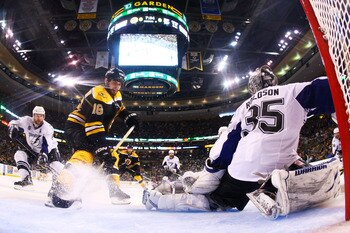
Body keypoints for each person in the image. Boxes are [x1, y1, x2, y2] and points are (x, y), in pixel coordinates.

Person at [143, 65, 341, 219]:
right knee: (296, 162)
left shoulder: (243, 107)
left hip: (244, 169)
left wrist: (213, 170)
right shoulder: (294, 91)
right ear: (274, 81)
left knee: (215, 201)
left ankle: (159, 200)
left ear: (252, 87)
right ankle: (273, 187)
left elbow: (226, 146)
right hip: (281, 162)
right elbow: (331, 86)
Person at [50, 67, 139, 208]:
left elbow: (119, 108)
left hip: (93, 129)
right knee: (85, 154)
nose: (117, 86)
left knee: (113, 156)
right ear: (106, 81)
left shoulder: (116, 94)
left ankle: (114, 190)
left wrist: (127, 116)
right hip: (77, 127)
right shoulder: (99, 94)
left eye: (119, 83)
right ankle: (60, 188)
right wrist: (101, 149)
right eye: (114, 82)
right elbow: (93, 125)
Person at [8, 106, 64, 190]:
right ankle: (26, 180)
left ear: (44, 117)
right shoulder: (26, 120)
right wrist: (13, 128)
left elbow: (46, 143)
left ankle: (59, 187)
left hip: (50, 150)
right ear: (33, 115)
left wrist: (44, 154)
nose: (39, 118)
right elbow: (14, 122)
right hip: (33, 149)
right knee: (19, 154)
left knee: (56, 165)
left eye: (41, 116)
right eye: (37, 115)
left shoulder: (48, 128)